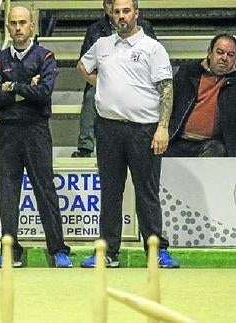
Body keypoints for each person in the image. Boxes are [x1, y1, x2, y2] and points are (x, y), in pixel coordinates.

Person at [77, 0, 179, 268]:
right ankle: (108, 252)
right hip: (108, 129)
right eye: (117, 11)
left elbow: (166, 89)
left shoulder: (152, 48)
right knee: (110, 193)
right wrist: (103, 84)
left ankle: (156, 249)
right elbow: (82, 67)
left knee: (147, 193)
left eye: (126, 11)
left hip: (144, 129)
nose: (121, 16)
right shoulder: (102, 45)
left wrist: (163, 127)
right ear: (111, 13)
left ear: (136, 14)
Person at [0, 6, 72, 269]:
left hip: (36, 129)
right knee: (8, 193)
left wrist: (11, 86)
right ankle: (11, 250)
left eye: (23, 22)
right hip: (7, 130)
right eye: (13, 23)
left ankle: (57, 250)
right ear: (8, 27)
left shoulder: (45, 56)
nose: (18, 28)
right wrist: (26, 88)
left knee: (45, 190)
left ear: (32, 25)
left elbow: (44, 93)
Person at [71, 0, 157, 158]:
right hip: (105, 79)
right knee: (91, 96)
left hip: (137, 81)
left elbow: (153, 60)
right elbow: (84, 63)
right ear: (104, 6)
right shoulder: (95, 29)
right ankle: (85, 148)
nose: (114, 8)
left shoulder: (144, 26)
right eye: (109, 3)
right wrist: (103, 83)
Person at [166, 33, 236, 157]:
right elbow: (169, 103)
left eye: (230, 55)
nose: (225, 58)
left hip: (211, 143)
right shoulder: (188, 71)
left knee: (217, 150)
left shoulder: (233, 81)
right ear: (210, 52)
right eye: (220, 52)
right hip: (178, 138)